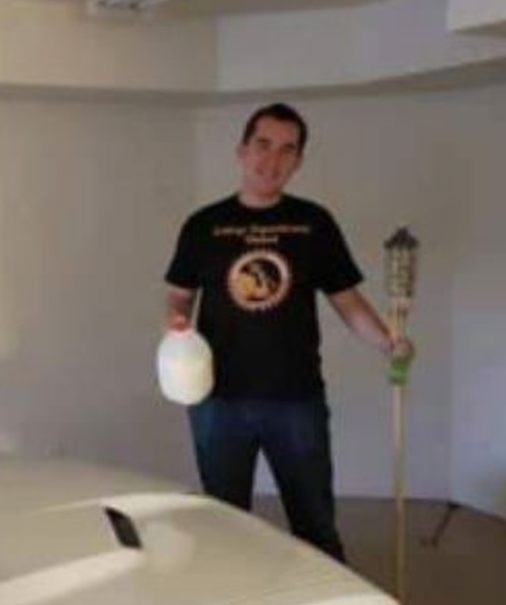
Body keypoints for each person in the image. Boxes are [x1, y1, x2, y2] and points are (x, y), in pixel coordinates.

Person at [164, 102, 412, 563]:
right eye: (262, 145)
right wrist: (177, 327)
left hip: (295, 399)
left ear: (297, 161)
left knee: (315, 523)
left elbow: (348, 302)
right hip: (217, 400)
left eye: (286, 150)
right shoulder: (203, 226)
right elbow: (179, 295)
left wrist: (387, 342)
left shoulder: (314, 224)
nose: (271, 160)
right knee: (224, 522)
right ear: (241, 151)